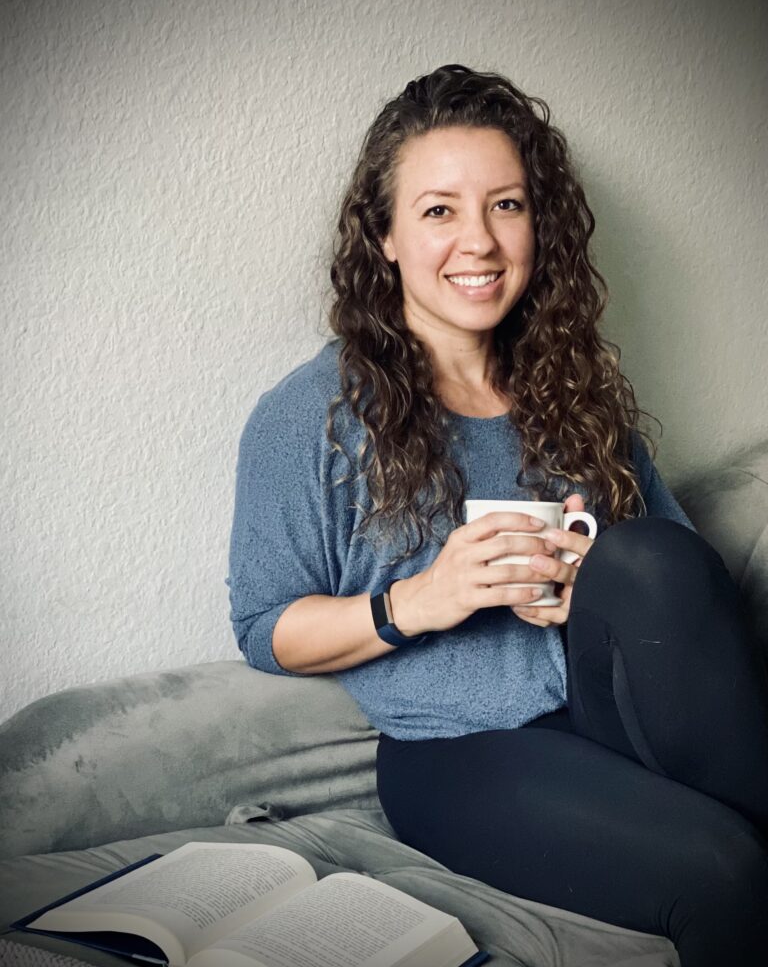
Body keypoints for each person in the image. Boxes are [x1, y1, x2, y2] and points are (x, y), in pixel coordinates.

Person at [228, 65, 768, 965]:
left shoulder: (571, 388)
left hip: (610, 706)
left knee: (653, 560)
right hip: (460, 752)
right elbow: (262, 626)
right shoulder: (310, 414)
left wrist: (585, 585)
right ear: (387, 236)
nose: (477, 240)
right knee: (733, 875)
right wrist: (419, 601)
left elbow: (677, 574)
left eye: (507, 205)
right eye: (439, 210)